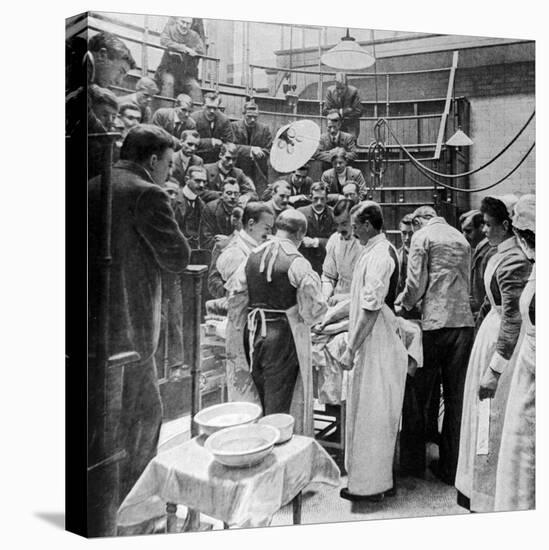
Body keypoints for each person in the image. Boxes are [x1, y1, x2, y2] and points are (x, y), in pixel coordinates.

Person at [88, 124, 190, 503]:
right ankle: (136, 504)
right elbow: (177, 257)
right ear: (152, 160)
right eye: (167, 163)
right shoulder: (148, 193)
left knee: (100, 425)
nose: (169, 172)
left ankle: (105, 500)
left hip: (89, 324)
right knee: (145, 415)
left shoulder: (93, 184)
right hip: (131, 326)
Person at [455, 196, 531, 512]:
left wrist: (494, 368)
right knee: (482, 415)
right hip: (489, 333)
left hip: (506, 346)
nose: (484, 230)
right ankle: (476, 484)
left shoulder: (515, 259)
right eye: (482, 224)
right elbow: (492, 298)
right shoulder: (498, 254)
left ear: (506, 225)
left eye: (488, 224)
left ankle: (489, 492)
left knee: (491, 414)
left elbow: (512, 316)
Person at [225, 209, 327, 434]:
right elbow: (315, 307)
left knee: (259, 396)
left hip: (251, 333)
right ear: (300, 233)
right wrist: (308, 318)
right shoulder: (297, 261)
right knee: (279, 405)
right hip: (281, 334)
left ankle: (259, 443)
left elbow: (234, 295)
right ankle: (276, 452)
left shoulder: (252, 254)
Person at [395, 205, 475, 485]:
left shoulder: (423, 236)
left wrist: (402, 304)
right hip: (463, 324)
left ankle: (413, 464)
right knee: (455, 398)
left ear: (418, 221)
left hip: (435, 325)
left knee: (418, 393)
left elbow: (416, 284)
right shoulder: (461, 238)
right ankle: (451, 468)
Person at [339, 201, 407, 501]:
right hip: (373, 335)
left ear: (368, 224)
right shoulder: (373, 250)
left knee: (374, 413)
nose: (351, 230)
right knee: (368, 410)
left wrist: (351, 348)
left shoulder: (380, 256)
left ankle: (372, 486)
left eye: (355, 225)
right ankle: (368, 481)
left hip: (377, 338)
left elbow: (370, 308)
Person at [495, 194, 536, 511]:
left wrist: (495, 368)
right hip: (526, 365)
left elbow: (512, 317)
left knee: (526, 460)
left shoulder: (521, 262)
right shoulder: (533, 265)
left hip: (532, 371)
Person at [321, 199, 363, 303]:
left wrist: (345, 298)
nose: (339, 230)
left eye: (344, 224)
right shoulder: (334, 240)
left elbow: (370, 289)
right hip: (337, 299)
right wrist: (325, 296)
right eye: (337, 224)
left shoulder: (366, 242)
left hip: (359, 300)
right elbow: (328, 276)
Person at [155, 16, 205, 101]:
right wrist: (184, 48)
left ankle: (197, 114)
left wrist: (193, 50)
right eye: (183, 22)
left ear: (191, 24)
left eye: (188, 24)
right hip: (167, 70)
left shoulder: (194, 35)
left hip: (185, 75)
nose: (185, 26)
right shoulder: (169, 29)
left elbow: (201, 50)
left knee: (195, 87)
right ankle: (166, 113)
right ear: (177, 21)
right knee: (169, 82)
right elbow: (164, 41)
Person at [231, 100, 273, 197]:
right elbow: (232, 147)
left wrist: (261, 152)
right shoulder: (234, 126)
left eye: (255, 117)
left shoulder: (264, 129)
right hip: (238, 167)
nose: (253, 120)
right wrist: (251, 150)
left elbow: (270, 149)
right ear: (243, 114)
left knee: (260, 196)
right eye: (249, 117)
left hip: (258, 170)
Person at [461, 210, 497, 321]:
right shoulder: (478, 249)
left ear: (482, 228)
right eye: (463, 231)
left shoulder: (490, 251)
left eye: (468, 231)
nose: (464, 236)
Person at [297, 182, 335, 275]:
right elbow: (295, 238)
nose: (319, 202)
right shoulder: (300, 213)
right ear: (310, 197)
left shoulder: (334, 214)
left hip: (327, 264)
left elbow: (336, 241)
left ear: (327, 199)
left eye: (322, 199)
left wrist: (316, 242)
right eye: (316, 198)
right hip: (306, 263)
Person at [191, 91, 235, 164]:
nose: (212, 111)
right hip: (196, 158)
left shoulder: (224, 120)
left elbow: (229, 142)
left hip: (217, 160)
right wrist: (210, 142)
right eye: (209, 107)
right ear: (203, 106)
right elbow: (190, 141)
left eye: (215, 108)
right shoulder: (193, 119)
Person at [172, 165, 207, 250]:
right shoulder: (173, 200)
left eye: (204, 182)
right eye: (198, 181)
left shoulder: (202, 205)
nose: (202, 185)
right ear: (187, 180)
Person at [201, 178, 241, 249]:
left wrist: (227, 240)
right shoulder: (210, 209)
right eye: (229, 193)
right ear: (222, 195)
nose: (232, 197)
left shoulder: (243, 211)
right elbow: (205, 240)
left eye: (236, 194)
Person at [322, 72, 363, 138]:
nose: (340, 91)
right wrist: (342, 111)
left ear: (347, 86)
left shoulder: (354, 91)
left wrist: (335, 111)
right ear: (335, 85)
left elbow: (358, 111)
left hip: (350, 126)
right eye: (337, 88)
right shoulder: (330, 91)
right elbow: (325, 111)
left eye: (342, 88)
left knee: (351, 143)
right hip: (334, 126)